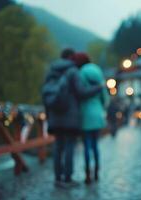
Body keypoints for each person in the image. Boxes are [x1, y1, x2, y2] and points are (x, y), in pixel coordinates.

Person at [42, 48, 102, 188]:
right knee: (69, 145)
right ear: (71, 58)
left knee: (58, 146)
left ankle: (58, 178)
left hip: (55, 114)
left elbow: (45, 94)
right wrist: (98, 88)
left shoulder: (51, 71)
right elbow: (81, 92)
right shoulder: (73, 71)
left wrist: (48, 114)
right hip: (71, 115)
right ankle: (67, 178)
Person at [70, 52, 110, 184]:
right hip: (98, 113)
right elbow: (104, 96)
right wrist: (102, 106)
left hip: (85, 114)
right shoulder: (97, 71)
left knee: (86, 145)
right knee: (95, 145)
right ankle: (97, 171)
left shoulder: (80, 73)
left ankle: (88, 173)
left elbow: (79, 93)